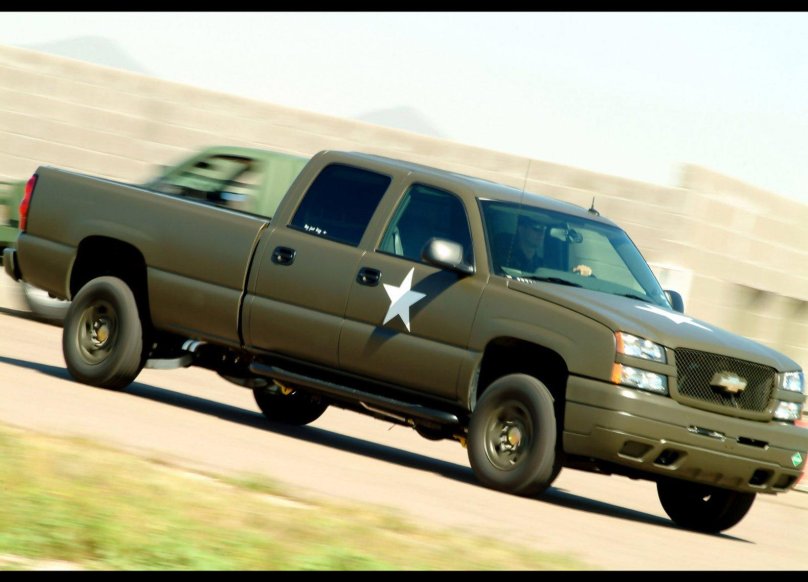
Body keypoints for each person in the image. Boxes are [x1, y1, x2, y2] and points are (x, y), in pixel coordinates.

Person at [507, 215, 593, 276]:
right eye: (537, 227)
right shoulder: (506, 259)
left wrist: (571, 275)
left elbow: (553, 280)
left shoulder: (543, 265)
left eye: (544, 229)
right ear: (521, 229)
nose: (541, 233)